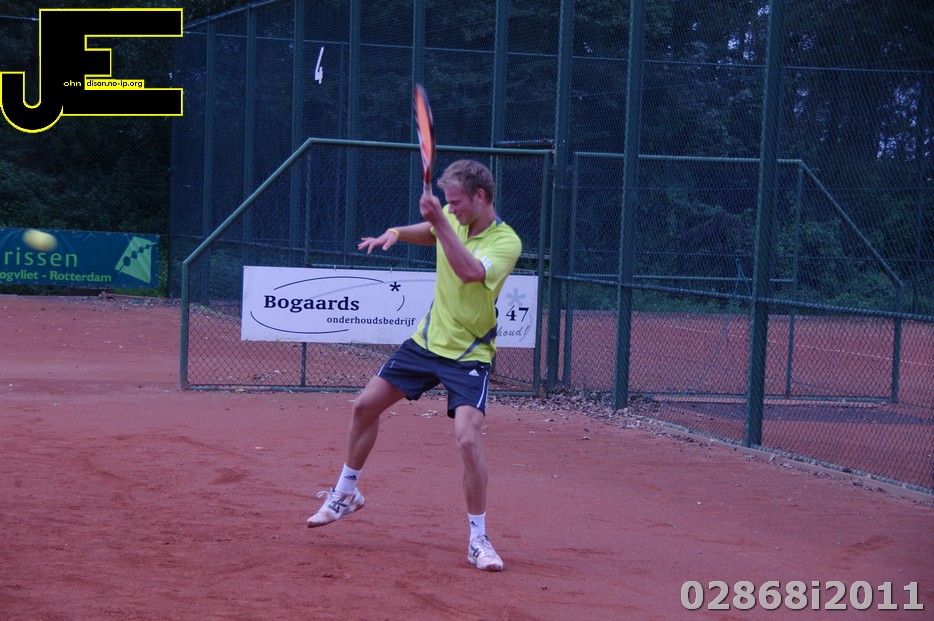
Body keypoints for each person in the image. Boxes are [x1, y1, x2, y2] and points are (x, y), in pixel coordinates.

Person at [306, 159, 521, 572]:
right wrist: (397, 232)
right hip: (426, 343)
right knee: (364, 406)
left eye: (457, 203)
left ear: (480, 197)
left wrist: (440, 220)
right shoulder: (451, 221)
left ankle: (478, 539)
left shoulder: (505, 242)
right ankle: (346, 493)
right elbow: (430, 232)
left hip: (469, 354)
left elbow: (469, 271)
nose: (451, 209)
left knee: (467, 440)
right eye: (447, 203)